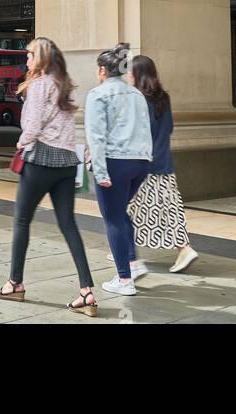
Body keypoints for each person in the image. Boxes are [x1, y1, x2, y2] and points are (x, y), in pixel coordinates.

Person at [0, 37, 97, 315]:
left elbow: (33, 124)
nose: (26, 59)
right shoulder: (64, 86)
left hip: (40, 160)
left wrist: (21, 141)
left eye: (30, 54)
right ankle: (87, 291)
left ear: (42, 59)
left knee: (22, 220)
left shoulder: (39, 86)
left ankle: (15, 283)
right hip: (66, 163)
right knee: (68, 224)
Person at [85, 42, 152, 297]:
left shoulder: (97, 94)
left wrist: (100, 172)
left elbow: (96, 137)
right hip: (140, 162)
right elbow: (146, 130)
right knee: (120, 212)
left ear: (103, 70)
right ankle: (132, 264)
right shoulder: (136, 94)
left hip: (114, 162)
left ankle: (124, 280)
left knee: (112, 218)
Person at [126, 55, 198, 276]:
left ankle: (130, 254)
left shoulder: (137, 99)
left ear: (138, 75)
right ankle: (125, 250)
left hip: (144, 165)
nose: (127, 75)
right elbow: (168, 129)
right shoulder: (163, 98)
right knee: (166, 208)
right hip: (163, 162)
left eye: (130, 72)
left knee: (126, 209)